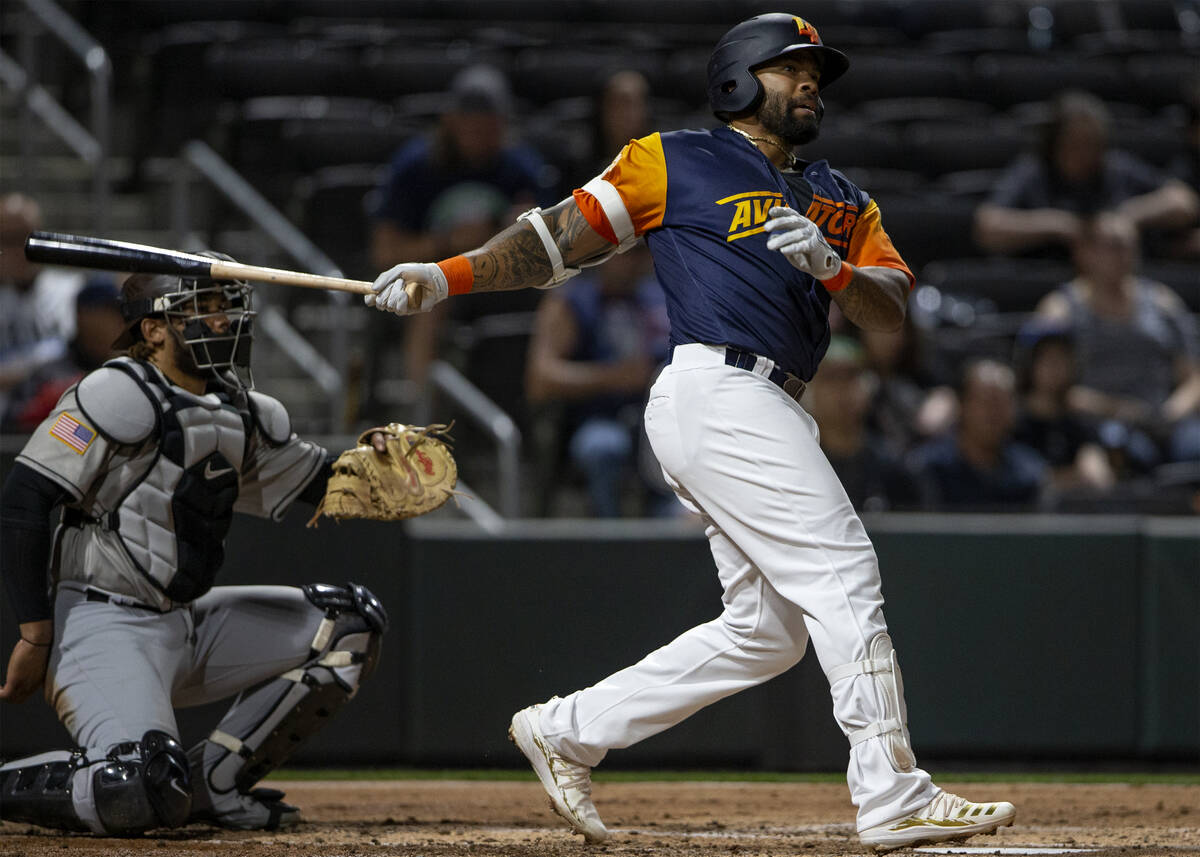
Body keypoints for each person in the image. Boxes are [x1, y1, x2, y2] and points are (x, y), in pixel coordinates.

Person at [365, 12, 1016, 851]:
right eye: (793, 68)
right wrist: (444, 277)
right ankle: (892, 790)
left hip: (776, 404)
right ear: (740, 80)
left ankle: (567, 728)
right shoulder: (671, 158)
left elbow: (888, 309)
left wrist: (833, 266)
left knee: (767, 633)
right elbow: (552, 241)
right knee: (845, 568)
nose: (813, 81)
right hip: (717, 386)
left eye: (818, 71)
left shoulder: (844, 198)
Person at [0, 262, 389, 834]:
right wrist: (35, 633)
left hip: (184, 625)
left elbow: (325, 485)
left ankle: (214, 784)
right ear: (154, 330)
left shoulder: (243, 410)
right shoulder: (115, 390)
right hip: (103, 626)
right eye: (203, 309)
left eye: (226, 307)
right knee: (136, 786)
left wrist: (380, 470)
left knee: (349, 624)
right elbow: (24, 500)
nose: (222, 320)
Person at [368, 63, 556, 390]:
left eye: (491, 130)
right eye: (473, 130)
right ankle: (421, 414)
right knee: (429, 295)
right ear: (451, 123)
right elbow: (385, 253)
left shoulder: (522, 168)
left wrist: (520, 229)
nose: (482, 141)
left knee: (563, 300)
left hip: (503, 278)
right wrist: (448, 241)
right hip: (439, 277)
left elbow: (555, 242)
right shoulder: (416, 167)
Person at [1034, 211, 1200, 469]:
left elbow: (1192, 377)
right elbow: (1045, 384)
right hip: (1091, 421)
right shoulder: (1060, 310)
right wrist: (1115, 409)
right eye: (1112, 246)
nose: (1122, 254)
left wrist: (1170, 413)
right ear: (1085, 252)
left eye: (1129, 245)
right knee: (1126, 454)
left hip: (1164, 421)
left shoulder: (1163, 302)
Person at [525, 243, 672, 517]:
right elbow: (541, 379)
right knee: (603, 447)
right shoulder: (572, 300)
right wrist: (612, 378)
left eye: (638, 252)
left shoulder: (659, 297)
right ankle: (611, 538)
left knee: (680, 452)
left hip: (656, 421)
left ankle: (666, 531)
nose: (631, 261)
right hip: (598, 417)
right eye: (624, 252)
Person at [972, 90, 1199, 259]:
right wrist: (1058, 225)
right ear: (1054, 144)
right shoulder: (1034, 172)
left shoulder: (1116, 168)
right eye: (1076, 144)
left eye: (1093, 144)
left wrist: (1125, 216)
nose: (1086, 153)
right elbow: (988, 226)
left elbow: (1183, 202)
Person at [907, 359, 1050, 511]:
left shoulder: (1030, 472)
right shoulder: (928, 469)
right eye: (985, 402)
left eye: (1002, 403)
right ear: (962, 406)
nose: (994, 413)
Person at [804, 335, 919, 511]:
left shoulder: (891, 466)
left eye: (851, 377)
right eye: (831, 378)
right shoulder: (797, 462)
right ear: (810, 390)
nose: (842, 389)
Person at [1, 277, 125, 433]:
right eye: (99, 313)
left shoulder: (129, 371)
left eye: (115, 316)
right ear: (80, 317)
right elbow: (12, 430)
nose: (107, 324)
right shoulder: (49, 374)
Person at [0, 193, 86, 414]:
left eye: (27, 237)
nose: (20, 249)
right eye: (8, 240)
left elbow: (78, 357)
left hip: (58, 411)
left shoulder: (72, 290)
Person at [1010, 320, 1116, 500]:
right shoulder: (1009, 420)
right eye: (1047, 359)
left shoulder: (1079, 423)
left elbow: (1099, 478)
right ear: (1029, 364)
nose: (1056, 367)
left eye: (1062, 358)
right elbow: (1021, 481)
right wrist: (1070, 477)